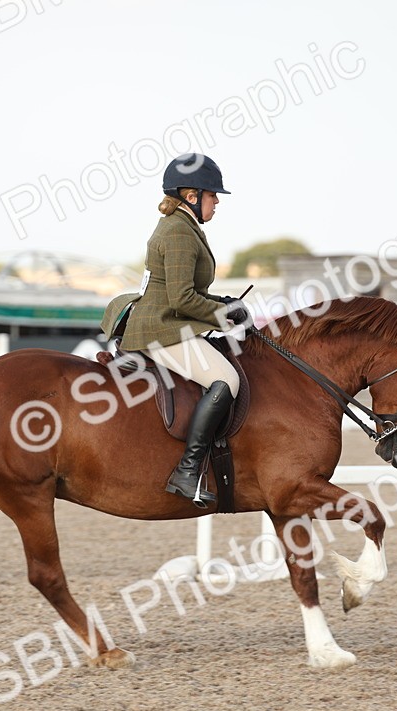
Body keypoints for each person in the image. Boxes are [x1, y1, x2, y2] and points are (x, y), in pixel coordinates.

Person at [100, 153, 251, 506]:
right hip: (162, 328)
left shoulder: (181, 226)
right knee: (226, 380)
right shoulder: (180, 231)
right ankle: (187, 471)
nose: (217, 203)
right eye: (213, 196)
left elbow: (185, 290)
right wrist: (222, 315)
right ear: (192, 196)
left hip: (165, 319)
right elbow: (181, 298)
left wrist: (224, 301)